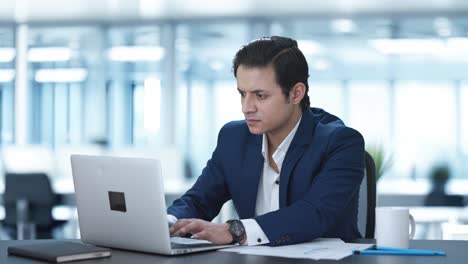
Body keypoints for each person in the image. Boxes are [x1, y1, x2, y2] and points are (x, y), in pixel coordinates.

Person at [168, 36, 365, 247]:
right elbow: (199, 199)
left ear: (296, 93)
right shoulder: (233, 138)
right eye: (242, 94)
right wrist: (167, 222)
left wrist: (235, 231)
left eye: (260, 96)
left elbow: (314, 213)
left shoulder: (341, 142)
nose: (246, 107)